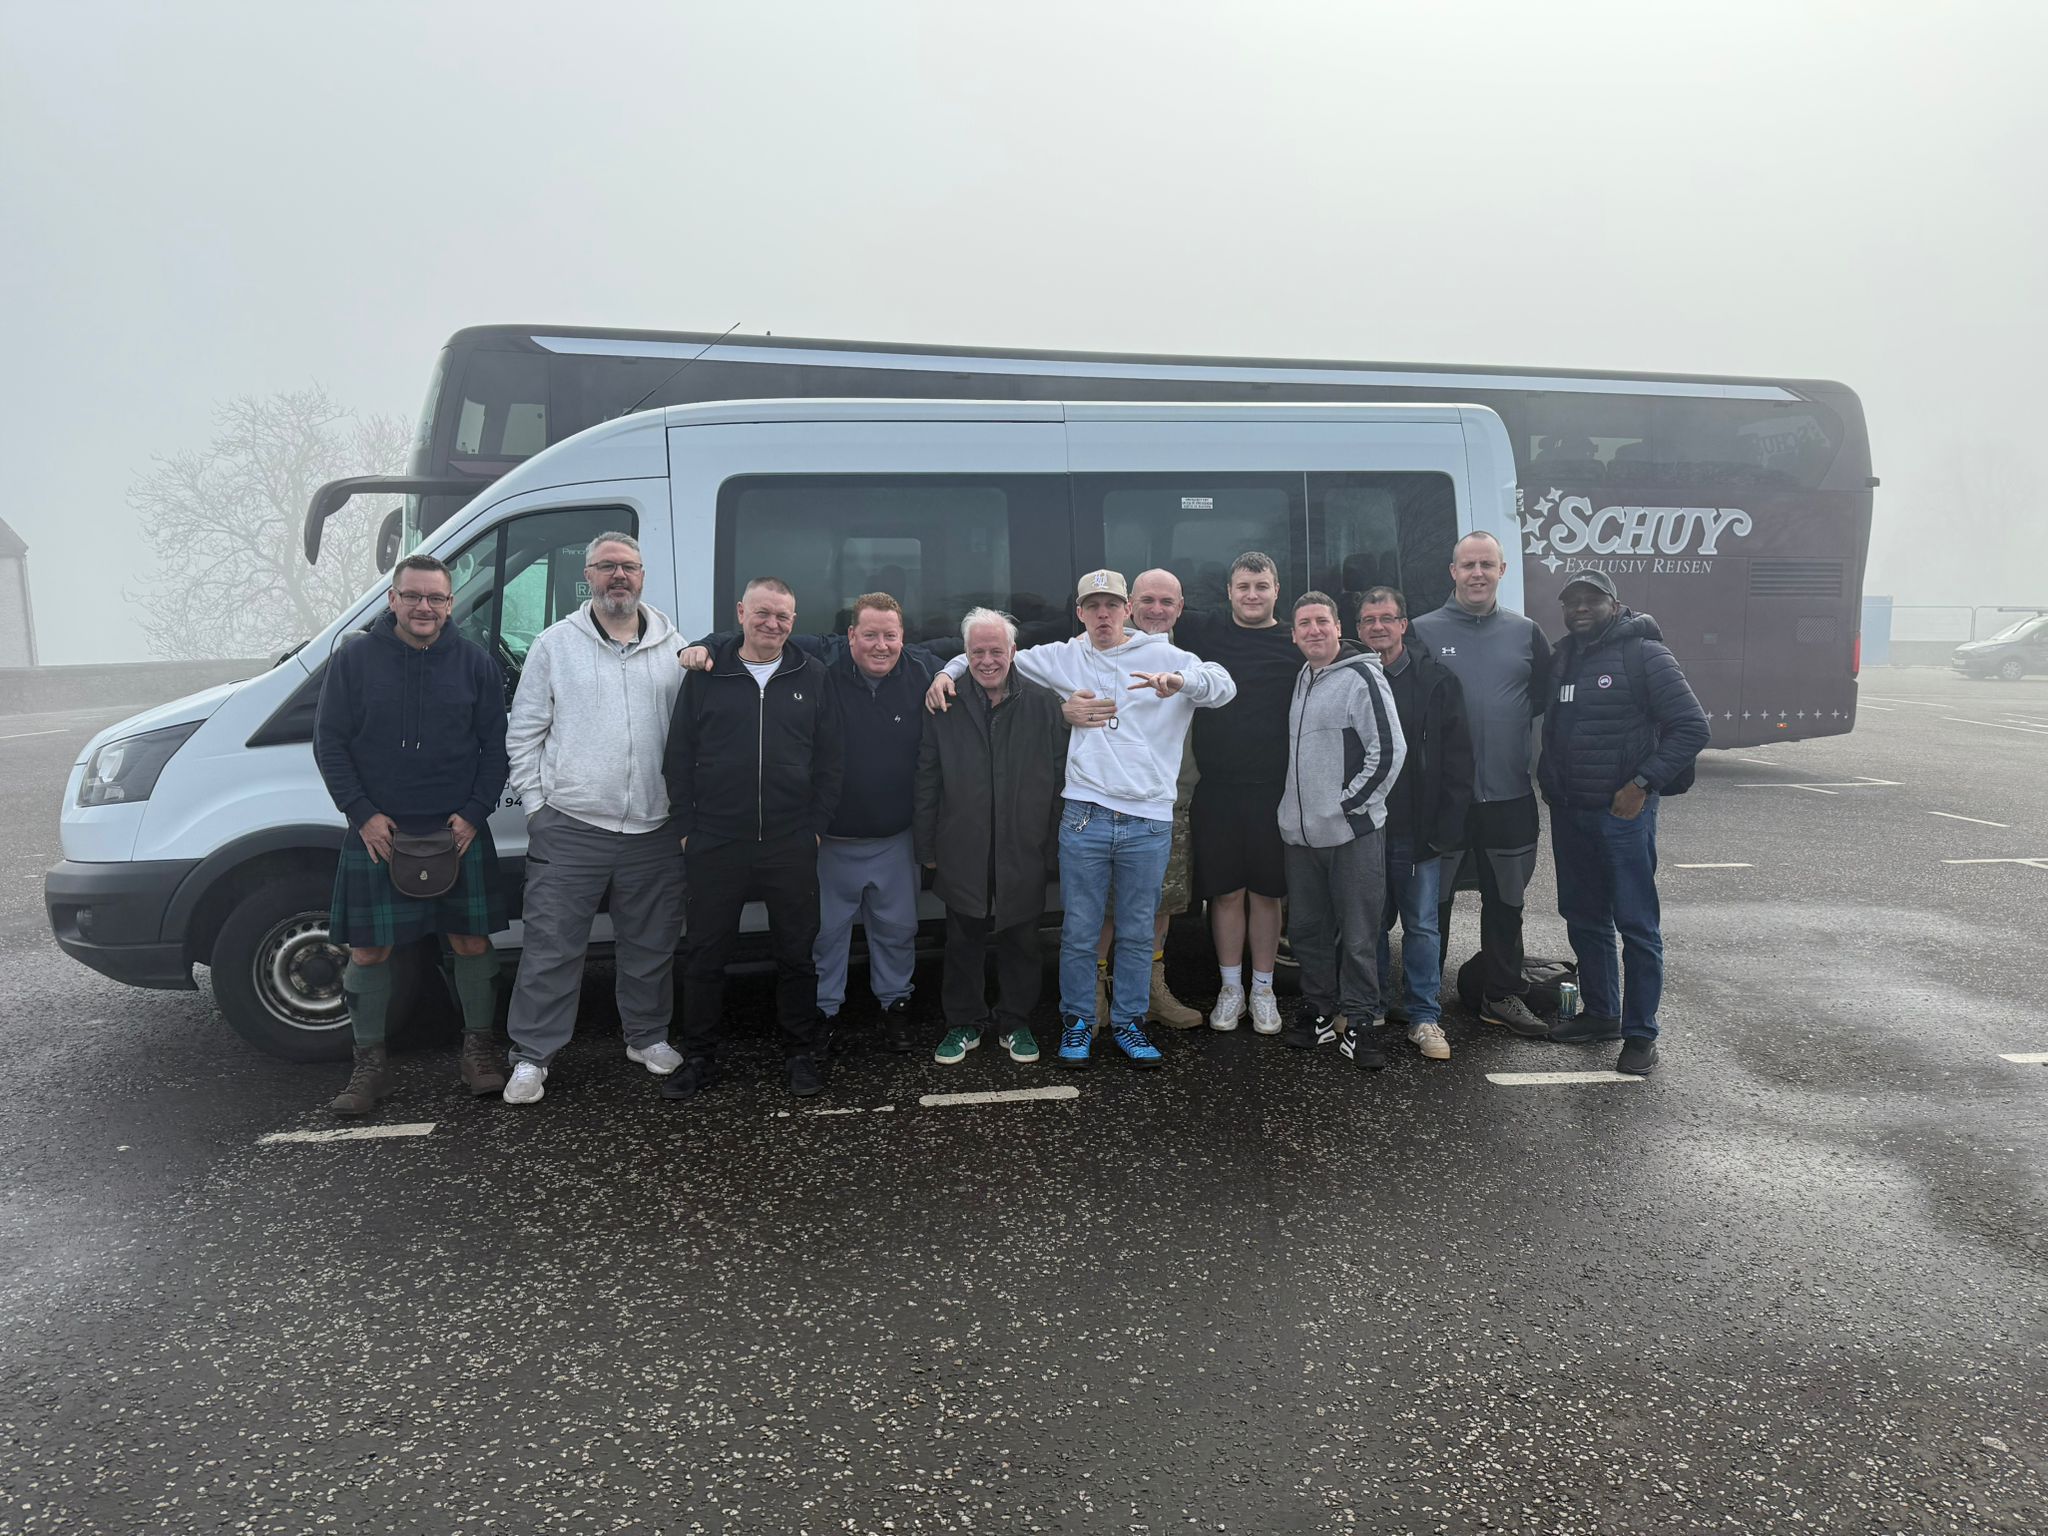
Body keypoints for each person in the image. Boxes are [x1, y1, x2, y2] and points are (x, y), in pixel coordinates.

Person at [929, 570, 1234, 1068]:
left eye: (1112, 606)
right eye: (1093, 606)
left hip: (1147, 820)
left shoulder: (1165, 655)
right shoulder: (1063, 655)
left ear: (1128, 609)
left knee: (1137, 931)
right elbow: (994, 656)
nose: (1103, 615)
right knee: (1079, 931)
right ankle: (1078, 1024)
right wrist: (948, 671)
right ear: (1080, 612)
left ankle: (1131, 1024)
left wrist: (1180, 682)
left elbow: (1223, 686)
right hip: (1085, 816)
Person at [680, 595, 935, 1055]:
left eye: (891, 636)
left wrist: (947, 674)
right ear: (849, 636)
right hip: (832, 840)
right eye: (870, 635)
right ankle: (825, 1012)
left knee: (898, 931)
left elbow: (964, 651)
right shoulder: (822, 666)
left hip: (895, 838)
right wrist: (702, 644)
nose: (881, 645)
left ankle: (895, 1006)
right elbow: (755, 633)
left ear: (904, 638)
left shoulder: (919, 671)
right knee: (826, 934)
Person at [312, 554, 509, 1114]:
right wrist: (362, 814)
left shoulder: (475, 664)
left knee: (470, 942)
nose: (425, 607)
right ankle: (370, 1067)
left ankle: (479, 1053)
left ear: (451, 603)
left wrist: (475, 811)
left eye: (437, 598)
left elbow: (496, 747)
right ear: (392, 600)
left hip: (457, 828)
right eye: (413, 596)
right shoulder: (354, 661)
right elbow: (330, 744)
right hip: (380, 830)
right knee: (370, 949)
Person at [498, 533, 687, 1106]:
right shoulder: (557, 645)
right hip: (572, 824)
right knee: (552, 948)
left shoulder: (674, 646)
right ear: (588, 576)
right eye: (607, 567)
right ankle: (532, 1056)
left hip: (654, 826)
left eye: (628, 567)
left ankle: (647, 1037)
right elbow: (524, 732)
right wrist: (537, 807)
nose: (618, 577)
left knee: (650, 945)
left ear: (642, 576)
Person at [662, 578, 844, 1100]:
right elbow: (678, 757)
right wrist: (686, 831)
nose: (773, 624)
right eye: (762, 613)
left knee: (796, 954)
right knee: (706, 955)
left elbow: (832, 761)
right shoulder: (708, 675)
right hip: (716, 840)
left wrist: (815, 827)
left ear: (794, 621)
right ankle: (700, 1056)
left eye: (783, 617)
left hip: (789, 840)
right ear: (741, 613)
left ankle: (801, 1052)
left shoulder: (813, 675)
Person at [1539, 569, 1710, 1075]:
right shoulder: (1563, 656)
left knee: (1636, 925)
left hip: (1623, 815)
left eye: (1592, 600)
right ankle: (1601, 1013)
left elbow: (1692, 726)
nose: (1580, 609)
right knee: (1584, 917)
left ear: (1615, 604)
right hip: (1571, 812)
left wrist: (1642, 784)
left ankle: (1640, 1035)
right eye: (1572, 602)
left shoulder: (1645, 654)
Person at [1410, 531, 1553, 1038]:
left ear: (1501, 571)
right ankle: (1423, 1004)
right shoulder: (1423, 631)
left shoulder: (1527, 632)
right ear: (1452, 572)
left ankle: (1500, 995)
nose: (1476, 573)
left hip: (1509, 795)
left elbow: (1539, 700)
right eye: (1467, 564)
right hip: (1446, 799)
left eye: (1486, 565)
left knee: (1506, 905)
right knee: (1433, 906)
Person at [913, 608, 1067, 1066]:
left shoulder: (1042, 703)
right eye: (977, 651)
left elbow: (1061, 777)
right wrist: (926, 847)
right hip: (962, 842)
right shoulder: (945, 703)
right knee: (962, 937)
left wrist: (1055, 845)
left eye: (995, 651)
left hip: (1026, 841)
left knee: (1023, 937)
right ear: (964, 654)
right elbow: (927, 775)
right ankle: (964, 1022)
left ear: (1013, 652)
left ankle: (1015, 1022)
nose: (986, 660)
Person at [1171, 552, 1309, 1037]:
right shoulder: (1204, 633)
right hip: (1218, 789)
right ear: (1229, 591)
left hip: (1274, 790)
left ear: (1277, 591)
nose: (1252, 595)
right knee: (1226, 893)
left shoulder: (1295, 641)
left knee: (1267, 894)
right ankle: (1230, 988)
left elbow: (1346, 654)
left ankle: (1264, 989)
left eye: (1262, 586)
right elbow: (1143, 619)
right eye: (1244, 586)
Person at [1062, 568, 1204, 1032]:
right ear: (1129, 607)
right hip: (1105, 804)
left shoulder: (1186, 659)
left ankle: (1149, 989)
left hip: (1171, 802)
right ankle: (1098, 994)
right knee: (1102, 907)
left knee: (1158, 906)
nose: (1157, 610)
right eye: (1147, 601)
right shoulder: (1095, 652)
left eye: (1167, 602)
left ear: (1180, 608)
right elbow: (1031, 669)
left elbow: (1223, 686)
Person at [1276, 593, 1405, 1068]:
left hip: (1352, 833)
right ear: (1294, 634)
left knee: (1359, 934)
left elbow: (1389, 751)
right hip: (1300, 836)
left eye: (1321, 622)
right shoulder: (1304, 677)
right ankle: (1321, 1011)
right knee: (1308, 931)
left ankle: (1362, 1021)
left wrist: (1347, 806)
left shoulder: (1363, 676)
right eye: (1304, 623)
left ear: (1337, 628)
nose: (1313, 630)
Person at [1354, 586, 1473, 1062]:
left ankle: (1424, 1017)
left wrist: (1446, 829)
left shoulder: (1436, 681)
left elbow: (1459, 763)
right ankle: (1374, 1007)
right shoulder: (1351, 679)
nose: (1378, 627)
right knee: (1368, 926)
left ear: (1405, 625)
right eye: (1368, 620)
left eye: (1387, 618)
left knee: (1422, 927)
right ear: (1358, 629)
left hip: (1417, 830)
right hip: (1365, 830)